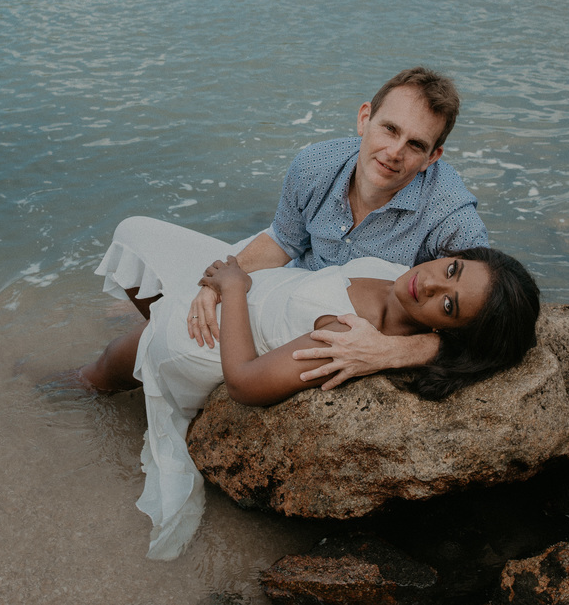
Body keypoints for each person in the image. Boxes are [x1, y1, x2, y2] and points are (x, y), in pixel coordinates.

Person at [79, 217, 540, 560]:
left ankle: (76, 390)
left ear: (448, 331)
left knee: (106, 367)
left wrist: (233, 289)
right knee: (133, 234)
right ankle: (143, 338)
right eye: (453, 269)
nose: (432, 282)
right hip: (255, 288)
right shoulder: (398, 275)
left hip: (216, 337)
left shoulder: (347, 337)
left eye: (448, 305)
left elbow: (244, 383)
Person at [179, 67, 490, 387]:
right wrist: (217, 284)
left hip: (340, 324)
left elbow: (489, 323)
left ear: (432, 157)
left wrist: (392, 352)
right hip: (291, 291)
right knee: (183, 311)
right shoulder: (314, 164)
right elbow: (285, 240)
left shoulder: (452, 217)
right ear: (365, 118)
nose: (394, 152)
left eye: (415, 145)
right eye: (390, 129)